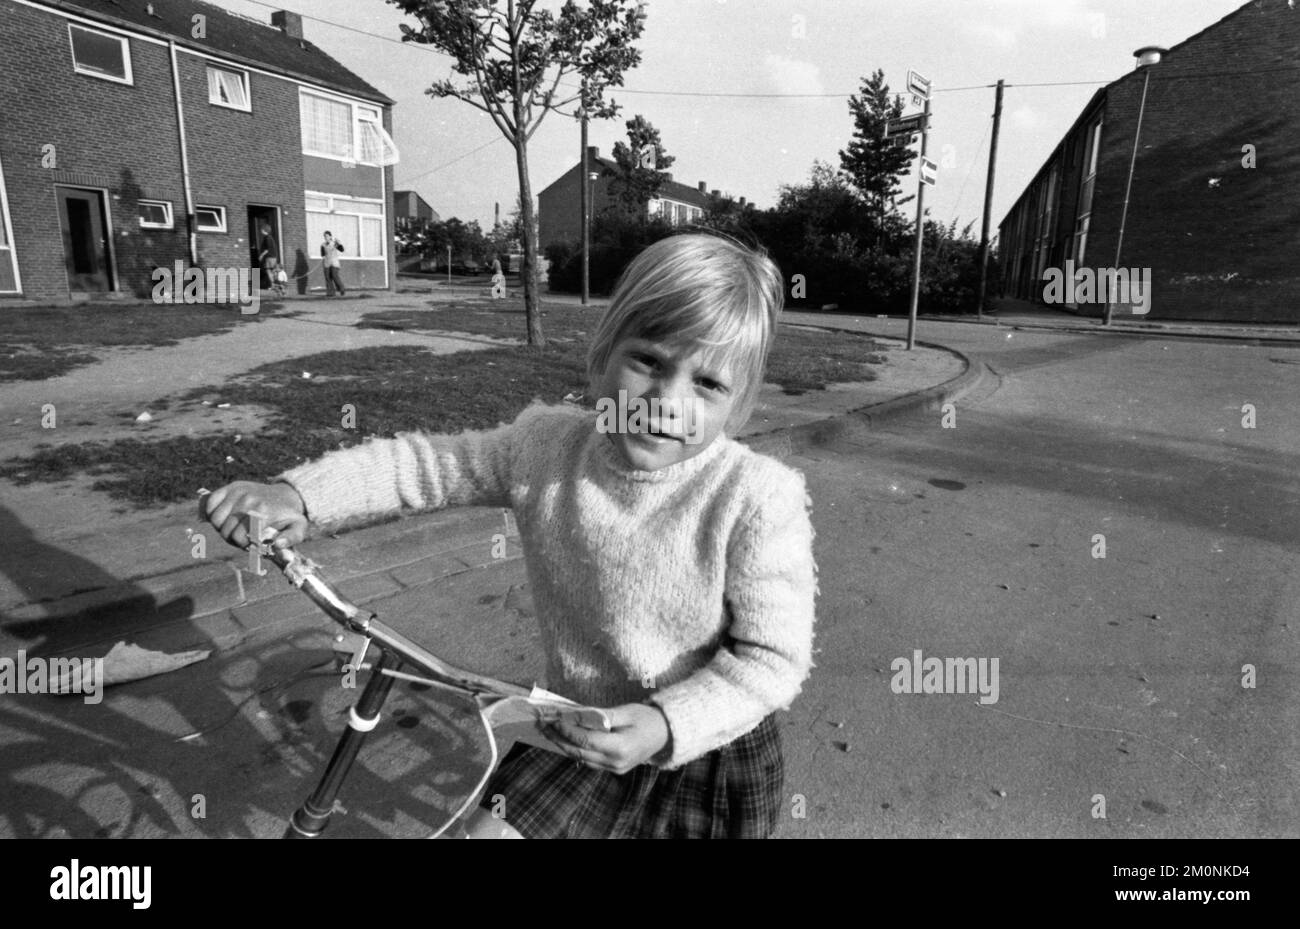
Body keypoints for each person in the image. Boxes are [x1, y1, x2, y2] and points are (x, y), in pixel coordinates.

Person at [200, 233, 817, 839]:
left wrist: (666, 724)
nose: (667, 402)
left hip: (705, 743)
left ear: (737, 407)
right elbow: (427, 466)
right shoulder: (546, 446)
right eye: (649, 361)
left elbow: (770, 662)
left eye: (707, 384)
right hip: (578, 722)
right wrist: (302, 494)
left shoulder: (756, 497)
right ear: (603, 355)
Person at [257, 220, 285, 298]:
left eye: (261, 229)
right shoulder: (270, 238)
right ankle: (278, 287)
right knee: (272, 271)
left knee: (268, 271)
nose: (260, 231)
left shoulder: (267, 238)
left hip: (270, 257)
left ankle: (274, 285)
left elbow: (267, 249)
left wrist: (261, 255)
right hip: (273, 257)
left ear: (263, 230)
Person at [321, 231, 346, 297]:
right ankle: (331, 292)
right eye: (324, 236)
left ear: (330, 236)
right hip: (327, 263)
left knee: (334, 276)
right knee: (328, 278)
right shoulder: (323, 245)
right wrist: (324, 252)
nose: (325, 237)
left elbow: (342, 250)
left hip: (334, 263)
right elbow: (322, 254)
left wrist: (339, 243)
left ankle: (341, 289)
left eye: (327, 236)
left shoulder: (334, 243)